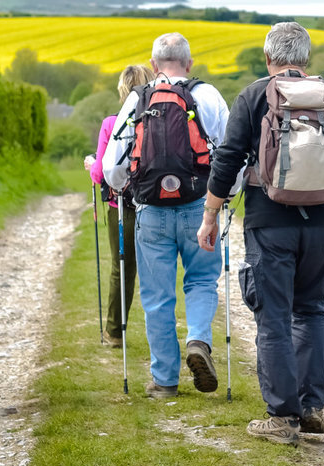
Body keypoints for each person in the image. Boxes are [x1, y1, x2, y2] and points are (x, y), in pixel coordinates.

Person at [196, 22, 324, 444]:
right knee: (311, 310)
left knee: (273, 318)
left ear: (268, 57)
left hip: (269, 220)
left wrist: (209, 216)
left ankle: (282, 418)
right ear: (307, 59)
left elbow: (226, 163)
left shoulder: (255, 95)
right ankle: (311, 405)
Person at [104, 32, 230, 399]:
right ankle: (197, 341)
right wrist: (223, 198)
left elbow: (114, 165)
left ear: (153, 64)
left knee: (157, 296)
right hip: (198, 208)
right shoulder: (207, 96)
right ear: (189, 64)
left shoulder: (137, 98)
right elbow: (229, 154)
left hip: (151, 212)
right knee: (202, 281)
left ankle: (164, 381)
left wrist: (130, 190)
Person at [87, 64, 155, 348]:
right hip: (155, 202)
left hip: (122, 205)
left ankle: (114, 332)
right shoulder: (157, 120)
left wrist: (91, 164)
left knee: (122, 266)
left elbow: (101, 173)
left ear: (123, 89)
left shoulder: (111, 123)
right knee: (156, 268)